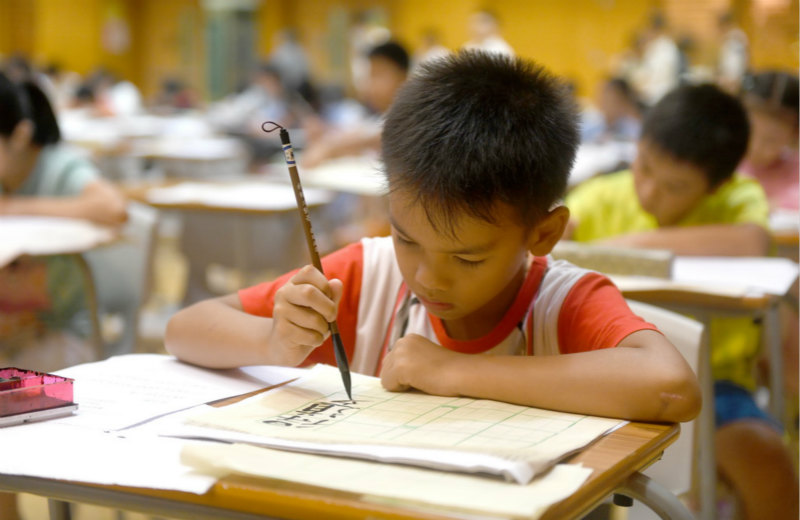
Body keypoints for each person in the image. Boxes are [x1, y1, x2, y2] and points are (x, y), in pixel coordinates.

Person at [166, 52, 700, 425]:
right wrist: (272, 341)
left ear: (543, 233)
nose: (427, 277)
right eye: (407, 239)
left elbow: (671, 386)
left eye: (467, 258)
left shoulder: (563, 303)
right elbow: (184, 330)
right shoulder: (369, 276)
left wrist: (456, 370)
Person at [565, 84, 798, 520]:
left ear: (717, 185)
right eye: (644, 167)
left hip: (714, 384)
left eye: (675, 186)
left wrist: (626, 248)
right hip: (606, 382)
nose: (650, 193)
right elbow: (556, 236)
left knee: (767, 460)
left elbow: (751, 241)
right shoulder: (602, 195)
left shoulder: (738, 198)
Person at [0, 72, 127, 520]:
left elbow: (113, 208)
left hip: (65, 350)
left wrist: (15, 209)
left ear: (20, 135)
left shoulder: (58, 167)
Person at [301, 41, 409, 168]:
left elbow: (385, 136)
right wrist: (326, 134)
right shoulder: (379, 117)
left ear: (403, 76)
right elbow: (365, 133)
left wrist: (330, 146)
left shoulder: (412, 116)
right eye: (369, 76)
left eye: (378, 75)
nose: (369, 85)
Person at [739, 71, 799, 212]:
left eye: (771, 140)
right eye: (748, 133)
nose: (755, 147)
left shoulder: (795, 168)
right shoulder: (723, 162)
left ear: (795, 135)